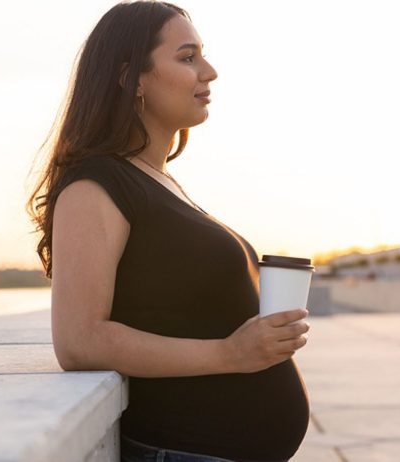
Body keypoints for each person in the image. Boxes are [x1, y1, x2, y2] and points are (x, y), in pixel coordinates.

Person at [26, 1, 311, 461]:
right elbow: (79, 341)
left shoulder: (157, 181)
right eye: (187, 57)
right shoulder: (95, 184)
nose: (210, 71)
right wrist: (230, 354)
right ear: (130, 79)